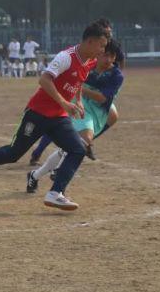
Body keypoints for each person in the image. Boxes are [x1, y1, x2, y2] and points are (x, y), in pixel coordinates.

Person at [0, 19, 111, 211]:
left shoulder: (90, 60)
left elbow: (78, 81)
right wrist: (64, 102)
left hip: (58, 117)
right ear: (90, 41)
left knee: (78, 150)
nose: (103, 51)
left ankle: (55, 193)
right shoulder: (66, 57)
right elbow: (44, 79)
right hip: (37, 113)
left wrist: (77, 100)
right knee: (13, 154)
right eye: (101, 46)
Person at [27, 39, 124, 192]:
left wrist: (80, 86)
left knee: (73, 145)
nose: (109, 60)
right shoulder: (87, 62)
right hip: (81, 106)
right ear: (98, 52)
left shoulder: (116, 75)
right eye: (105, 55)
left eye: (112, 56)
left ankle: (35, 175)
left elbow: (102, 98)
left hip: (98, 111)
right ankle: (57, 182)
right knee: (78, 139)